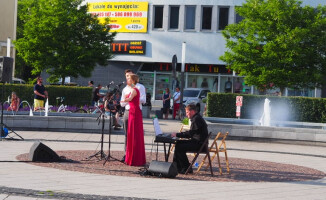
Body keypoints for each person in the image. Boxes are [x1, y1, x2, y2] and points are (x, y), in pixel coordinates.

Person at [171, 104, 208, 174]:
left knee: (180, 146)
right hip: (198, 142)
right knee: (178, 144)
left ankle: (186, 168)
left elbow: (190, 134)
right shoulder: (196, 118)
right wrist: (179, 135)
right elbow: (191, 133)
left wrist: (177, 134)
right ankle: (177, 167)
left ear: (192, 112)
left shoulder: (196, 119)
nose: (186, 114)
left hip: (200, 144)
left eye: (187, 112)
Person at [120, 69, 146, 162]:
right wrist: (124, 101)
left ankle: (134, 154)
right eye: (126, 76)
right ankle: (126, 154)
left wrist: (132, 100)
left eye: (129, 76)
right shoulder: (125, 89)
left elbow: (143, 100)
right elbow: (122, 103)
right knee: (127, 134)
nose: (127, 78)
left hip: (135, 111)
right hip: (127, 111)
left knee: (135, 133)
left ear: (133, 78)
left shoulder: (139, 87)